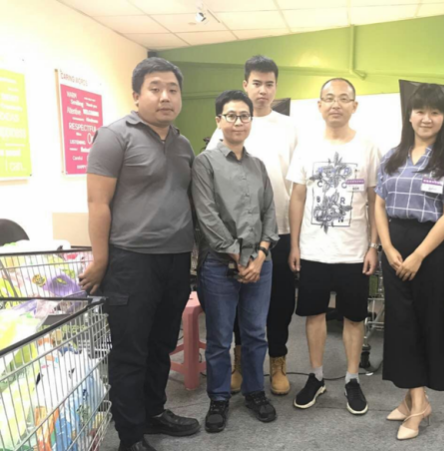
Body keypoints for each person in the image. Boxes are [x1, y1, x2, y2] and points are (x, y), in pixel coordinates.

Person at [80, 57, 200, 451]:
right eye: (155, 88)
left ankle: (153, 412)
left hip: (176, 260)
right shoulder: (113, 136)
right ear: (136, 95)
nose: (165, 96)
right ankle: (130, 436)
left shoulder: (183, 144)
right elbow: (98, 203)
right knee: (130, 351)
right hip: (132, 262)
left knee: (161, 344)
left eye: (172, 89)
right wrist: (101, 260)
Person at [375, 84, 444, 440]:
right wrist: (387, 246)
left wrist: (418, 255)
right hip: (394, 244)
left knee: (426, 323)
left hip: (431, 249)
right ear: (410, 116)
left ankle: (418, 406)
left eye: (435, 112)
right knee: (400, 324)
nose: (426, 118)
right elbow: (379, 204)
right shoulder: (392, 157)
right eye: (420, 111)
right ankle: (413, 399)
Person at [287, 77, 380, 415]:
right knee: (314, 314)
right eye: (329, 98)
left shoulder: (368, 147)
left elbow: (375, 200)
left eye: (343, 98)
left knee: (354, 317)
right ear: (319, 105)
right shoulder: (307, 146)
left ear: (354, 106)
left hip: (355, 251)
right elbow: (298, 197)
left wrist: (374, 245)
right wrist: (294, 244)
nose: (335, 104)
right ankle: (316, 376)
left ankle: (352, 379)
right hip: (313, 250)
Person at [207, 55, 297, 396]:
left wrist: (296, 237)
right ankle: (241, 363)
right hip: (239, 236)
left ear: (276, 87)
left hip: (280, 230)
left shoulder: (290, 127)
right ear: (245, 85)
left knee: (280, 304)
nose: (262, 90)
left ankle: (278, 362)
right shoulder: (228, 124)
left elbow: (298, 184)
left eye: (269, 84)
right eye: (256, 83)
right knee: (239, 304)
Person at [192, 90, 279, 433]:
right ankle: (219, 398)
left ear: (250, 121)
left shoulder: (258, 165)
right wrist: (238, 256)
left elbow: (270, 212)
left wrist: (261, 255)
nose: (238, 122)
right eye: (231, 115)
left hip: (260, 263)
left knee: (255, 333)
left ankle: (255, 392)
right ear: (219, 120)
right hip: (219, 264)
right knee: (219, 337)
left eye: (244, 116)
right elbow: (207, 216)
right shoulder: (205, 163)